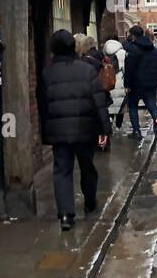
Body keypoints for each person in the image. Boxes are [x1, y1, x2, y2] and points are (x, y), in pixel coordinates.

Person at [41, 29, 110, 230]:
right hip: (85, 128)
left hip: (59, 131)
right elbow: (99, 103)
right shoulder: (87, 70)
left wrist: (47, 131)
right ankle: (90, 203)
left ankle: (65, 215)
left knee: (62, 171)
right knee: (87, 166)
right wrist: (104, 130)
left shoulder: (47, 73)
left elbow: (44, 105)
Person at [121, 24, 157, 141]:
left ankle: (136, 131)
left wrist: (127, 84)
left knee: (133, 106)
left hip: (135, 84)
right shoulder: (153, 49)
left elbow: (129, 68)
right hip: (150, 83)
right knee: (152, 107)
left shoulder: (132, 49)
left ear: (133, 35)